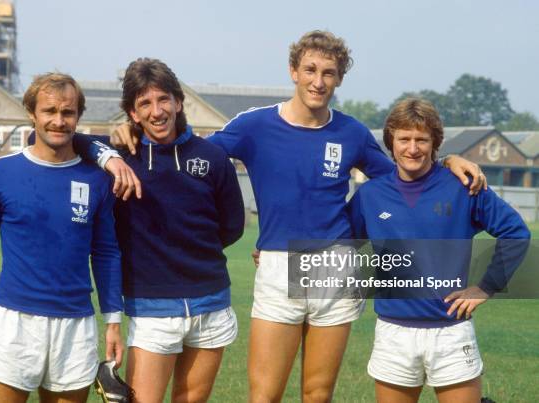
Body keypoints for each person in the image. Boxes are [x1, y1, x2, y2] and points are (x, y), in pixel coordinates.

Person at [107, 31, 487, 402]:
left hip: (336, 266)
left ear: (339, 78)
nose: (318, 81)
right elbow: (189, 155)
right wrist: (128, 131)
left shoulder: (351, 132)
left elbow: (402, 175)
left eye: (328, 73)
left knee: (317, 394)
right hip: (278, 265)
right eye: (310, 70)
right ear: (293, 70)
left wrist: (448, 160)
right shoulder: (254, 125)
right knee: (265, 394)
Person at [0, 73, 124, 402]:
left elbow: (106, 253)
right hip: (13, 324)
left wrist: (113, 322)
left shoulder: (96, 179)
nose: (58, 121)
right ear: (31, 113)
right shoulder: (0, 173)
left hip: (75, 327)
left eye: (68, 112)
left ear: (79, 116)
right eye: (49, 111)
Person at [74, 58, 245, 403]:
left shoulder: (212, 158)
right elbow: (44, 135)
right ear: (133, 114)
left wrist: (191, 252)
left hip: (211, 304)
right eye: (144, 104)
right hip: (152, 308)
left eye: (163, 99)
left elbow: (233, 227)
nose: (157, 111)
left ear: (178, 101)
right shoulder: (122, 153)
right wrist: (109, 155)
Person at [347, 98, 530, 403]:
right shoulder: (370, 195)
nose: (413, 148)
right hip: (394, 332)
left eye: (422, 139)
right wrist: (275, 248)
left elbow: (516, 233)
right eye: (404, 139)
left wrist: (486, 287)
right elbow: (339, 242)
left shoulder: (464, 186)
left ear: (435, 143)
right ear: (391, 142)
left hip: (451, 332)